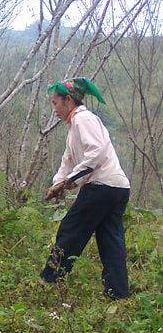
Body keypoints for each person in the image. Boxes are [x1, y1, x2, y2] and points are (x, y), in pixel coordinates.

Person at [40, 77, 130, 299]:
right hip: (117, 187)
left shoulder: (83, 119)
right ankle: (117, 292)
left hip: (102, 186)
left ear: (68, 100)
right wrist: (57, 183)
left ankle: (49, 282)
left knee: (70, 231)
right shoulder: (74, 126)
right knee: (110, 240)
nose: (55, 110)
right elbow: (68, 160)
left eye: (55, 103)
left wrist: (69, 181)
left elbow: (95, 152)